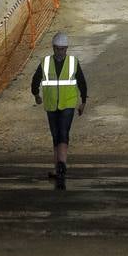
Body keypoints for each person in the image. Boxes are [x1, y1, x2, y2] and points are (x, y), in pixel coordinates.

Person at [31, 31, 87, 190]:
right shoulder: (45, 62)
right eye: (57, 48)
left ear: (66, 48)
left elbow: (82, 82)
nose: (60, 51)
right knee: (55, 135)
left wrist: (83, 101)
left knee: (63, 132)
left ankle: (62, 164)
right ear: (53, 47)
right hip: (50, 104)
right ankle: (58, 168)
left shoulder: (73, 62)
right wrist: (36, 95)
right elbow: (35, 80)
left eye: (62, 49)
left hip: (68, 103)